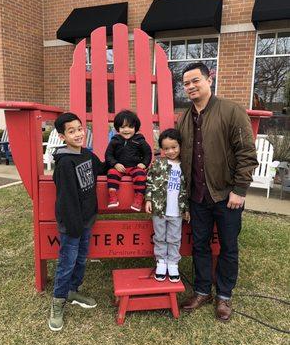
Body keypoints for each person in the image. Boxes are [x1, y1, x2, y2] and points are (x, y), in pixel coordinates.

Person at [178, 62, 258, 322]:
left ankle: (224, 295)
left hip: (226, 196)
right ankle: (202, 291)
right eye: (186, 83)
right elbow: (179, 157)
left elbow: (246, 153)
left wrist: (240, 189)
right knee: (200, 245)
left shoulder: (231, 111)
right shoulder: (184, 118)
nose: (190, 87)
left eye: (195, 81)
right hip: (197, 197)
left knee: (228, 246)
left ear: (209, 79)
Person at [49, 112, 105, 332]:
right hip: (72, 223)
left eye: (79, 129)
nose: (78, 134)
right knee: (67, 263)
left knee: (81, 259)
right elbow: (66, 199)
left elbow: (101, 167)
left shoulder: (86, 155)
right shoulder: (64, 164)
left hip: (86, 220)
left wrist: (123, 162)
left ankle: (73, 290)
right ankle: (57, 303)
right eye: (71, 131)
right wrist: (73, 227)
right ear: (62, 136)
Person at [145, 128, 190, 282]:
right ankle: (161, 262)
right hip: (159, 209)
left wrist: (186, 209)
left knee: (174, 238)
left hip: (176, 211)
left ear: (180, 146)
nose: (170, 151)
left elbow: (187, 190)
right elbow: (149, 182)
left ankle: (173, 263)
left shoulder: (185, 166)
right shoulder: (158, 164)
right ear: (162, 149)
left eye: (174, 147)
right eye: (166, 149)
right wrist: (149, 200)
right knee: (159, 237)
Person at [105, 109, 152, 211]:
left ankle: (139, 198)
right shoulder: (115, 141)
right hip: (119, 168)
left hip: (135, 167)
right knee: (111, 172)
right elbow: (108, 155)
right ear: (118, 128)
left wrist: (144, 164)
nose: (126, 130)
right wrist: (115, 164)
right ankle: (113, 196)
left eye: (130, 127)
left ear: (136, 128)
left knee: (140, 175)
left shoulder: (140, 141)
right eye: (123, 127)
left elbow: (148, 153)